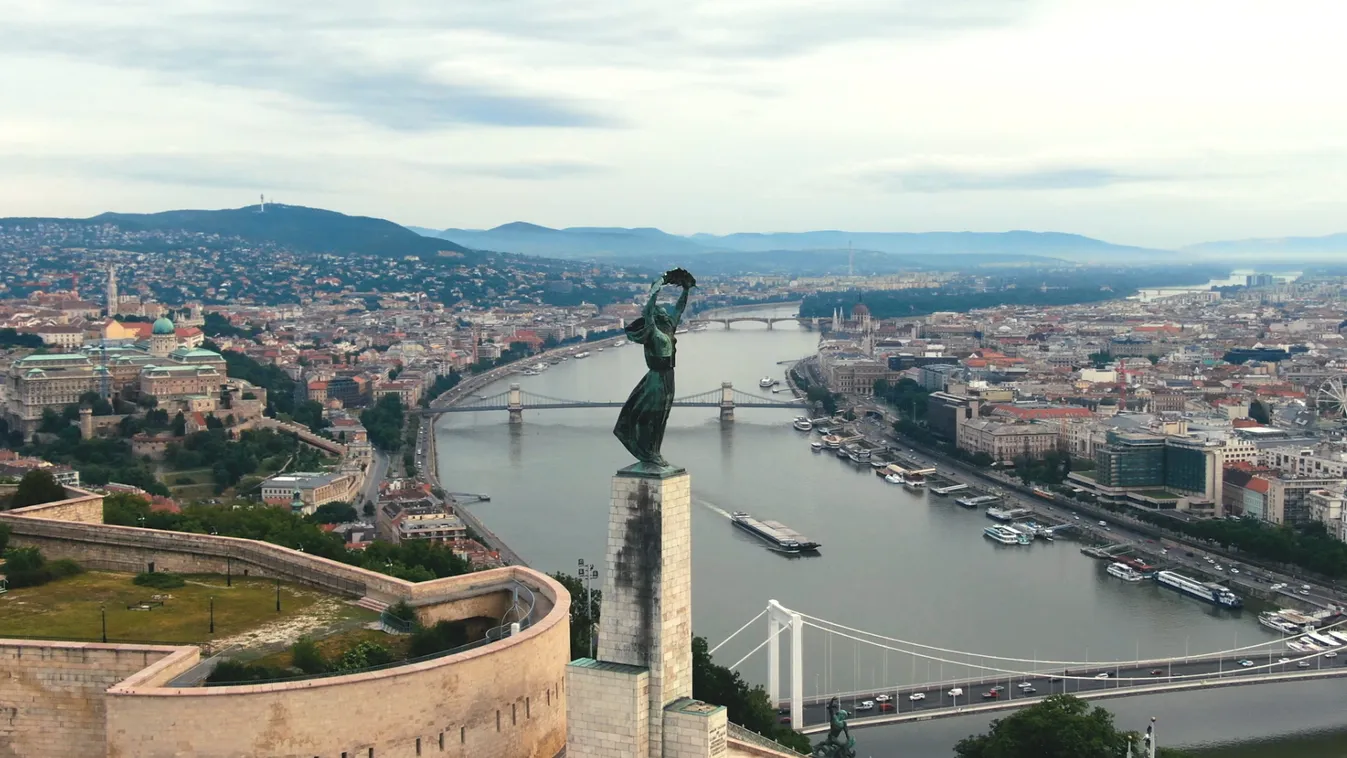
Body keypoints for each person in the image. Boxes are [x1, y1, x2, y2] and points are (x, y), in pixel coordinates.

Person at [612, 268, 695, 469]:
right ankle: (648, 452)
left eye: (666, 312)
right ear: (657, 316)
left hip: (669, 376)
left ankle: (654, 451)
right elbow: (648, 311)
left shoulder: (669, 328)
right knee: (652, 415)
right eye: (662, 312)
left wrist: (686, 290)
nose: (666, 313)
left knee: (663, 416)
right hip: (656, 378)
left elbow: (679, 308)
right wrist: (655, 292)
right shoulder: (652, 331)